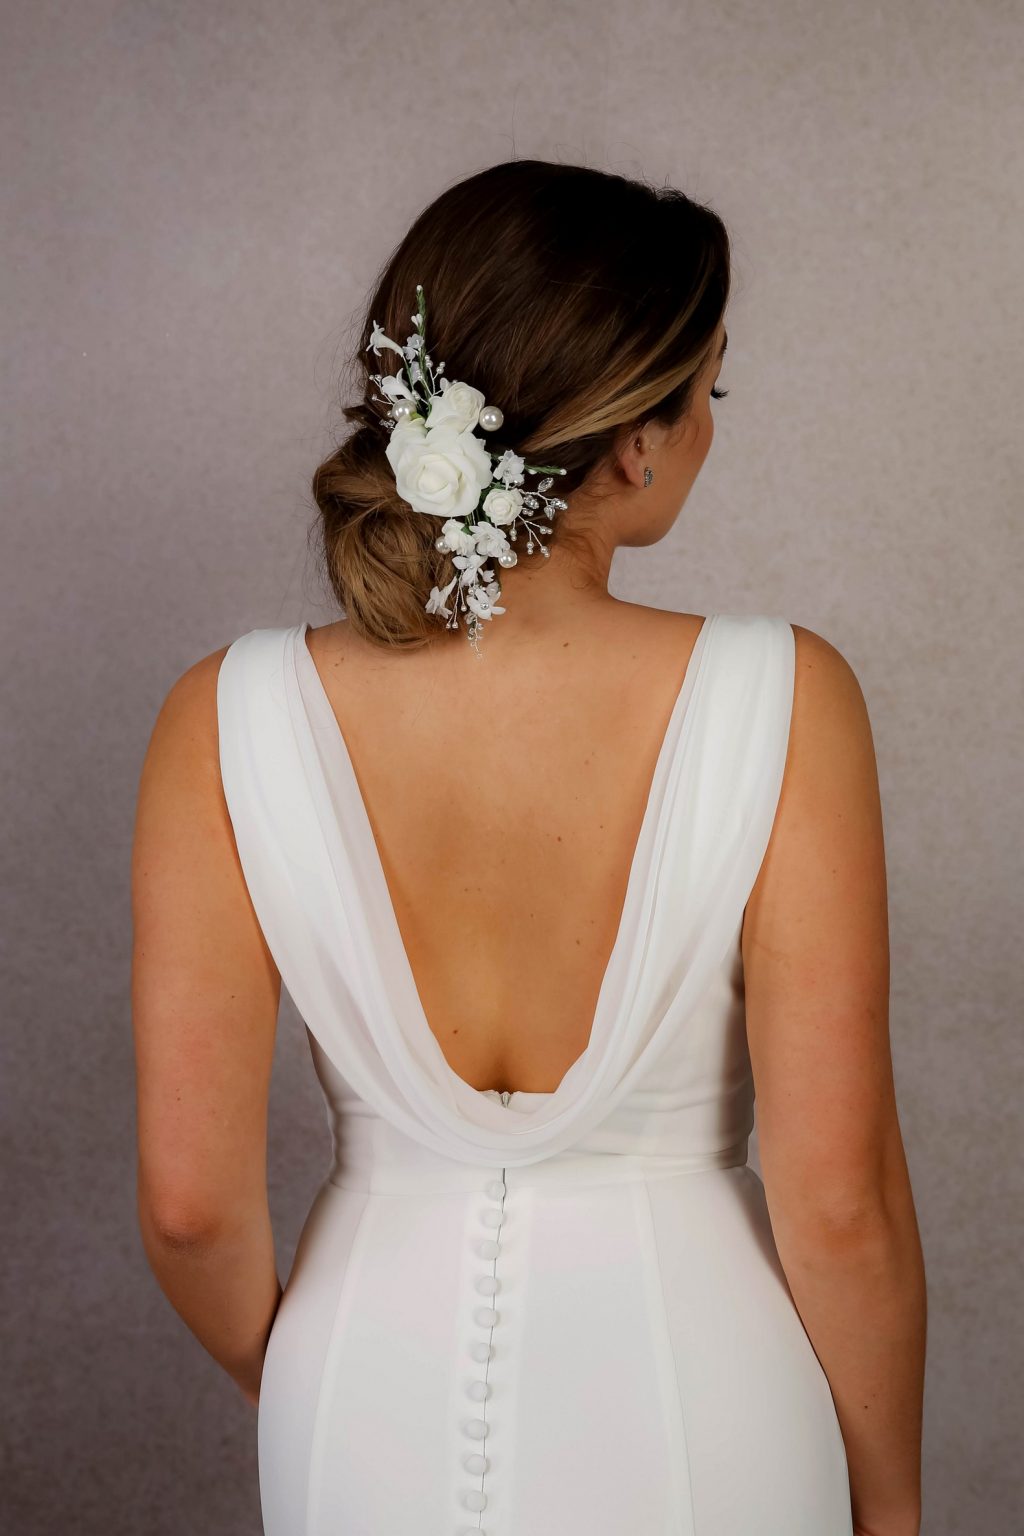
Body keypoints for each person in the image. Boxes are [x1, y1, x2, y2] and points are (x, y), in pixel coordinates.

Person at [131, 158, 926, 1536]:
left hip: (363, 1384)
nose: (708, 430)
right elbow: (840, 1203)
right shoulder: (786, 694)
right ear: (634, 440)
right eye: (709, 393)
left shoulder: (223, 713)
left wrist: (321, 1379)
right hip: (706, 1399)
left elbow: (191, 1209)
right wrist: (894, 1505)